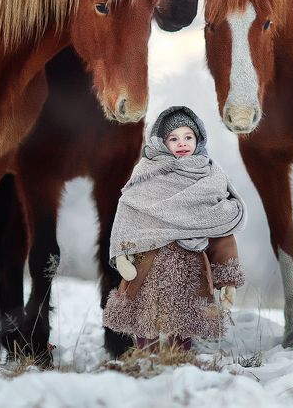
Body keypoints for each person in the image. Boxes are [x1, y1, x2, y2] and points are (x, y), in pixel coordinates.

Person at [102, 106, 246, 352]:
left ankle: (180, 360)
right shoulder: (147, 172)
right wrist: (122, 253)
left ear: (198, 138)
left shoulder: (210, 176)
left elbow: (220, 229)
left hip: (191, 266)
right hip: (149, 265)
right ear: (161, 141)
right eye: (174, 138)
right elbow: (128, 213)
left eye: (188, 137)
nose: (182, 143)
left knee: (184, 320)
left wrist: (227, 278)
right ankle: (146, 360)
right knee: (147, 318)